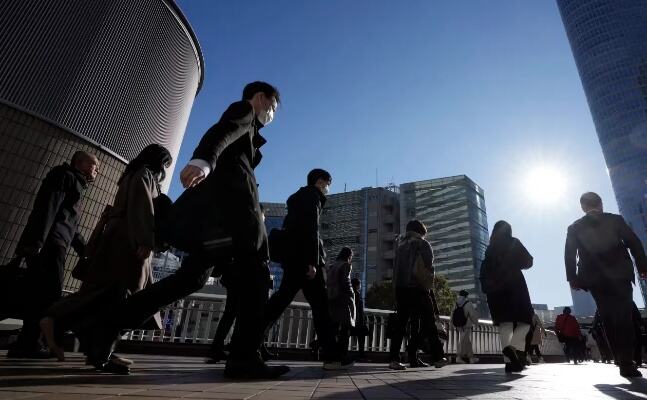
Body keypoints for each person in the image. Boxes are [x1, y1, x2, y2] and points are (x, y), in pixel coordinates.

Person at [83, 82, 289, 379]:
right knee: (256, 277)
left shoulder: (252, 136)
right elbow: (223, 130)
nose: (271, 114)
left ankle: (106, 325)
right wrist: (203, 161)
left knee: (188, 280)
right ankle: (243, 359)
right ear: (260, 98)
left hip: (213, 225)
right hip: (233, 221)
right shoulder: (244, 110)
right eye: (272, 108)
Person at [39, 145, 171, 372]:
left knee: (105, 292)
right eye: (165, 164)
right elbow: (143, 208)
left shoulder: (130, 174)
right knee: (126, 296)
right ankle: (62, 321)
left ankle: (92, 346)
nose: (165, 169)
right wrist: (146, 241)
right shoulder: (144, 175)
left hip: (116, 237)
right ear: (158, 162)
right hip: (128, 240)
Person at [6, 151, 99, 358]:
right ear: (81, 163)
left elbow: (70, 226)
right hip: (49, 244)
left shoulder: (75, 182)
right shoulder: (64, 176)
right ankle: (29, 344)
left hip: (54, 243)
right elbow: (47, 208)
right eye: (95, 166)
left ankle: (27, 343)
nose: (97, 172)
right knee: (48, 295)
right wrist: (36, 242)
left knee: (40, 294)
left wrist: (85, 251)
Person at [262, 169, 345, 370]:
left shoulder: (298, 198)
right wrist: (313, 262)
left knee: (281, 300)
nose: (328, 188)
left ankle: (248, 341)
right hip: (305, 261)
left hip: (294, 259)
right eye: (328, 183)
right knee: (321, 307)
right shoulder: (311, 197)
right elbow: (310, 229)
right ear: (319, 181)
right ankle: (331, 356)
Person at [564, 192, 647, 378]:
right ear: (601, 204)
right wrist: (643, 267)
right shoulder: (615, 220)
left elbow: (569, 254)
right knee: (624, 317)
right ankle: (626, 362)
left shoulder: (575, 227)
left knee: (607, 317)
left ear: (583, 207)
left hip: (595, 278)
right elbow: (634, 242)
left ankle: (619, 358)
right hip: (620, 275)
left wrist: (573, 278)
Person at [389, 220, 447, 370]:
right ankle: (438, 357)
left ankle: (394, 359)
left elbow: (395, 272)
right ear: (420, 230)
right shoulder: (423, 244)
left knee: (401, 325)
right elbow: (428, 266)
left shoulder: (400, 246)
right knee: (429, 323)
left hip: (401, 289)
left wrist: (395, 292)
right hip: (418, 289)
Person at [479, 220, 533, 373]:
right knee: (525, 322)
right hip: (515, 287)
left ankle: (510, 362)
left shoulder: (489, 250)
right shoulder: (513, 242)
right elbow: (528, 262)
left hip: (496, 292)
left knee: (505, 325)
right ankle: (514, 348)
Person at [326, 247, 356, 369]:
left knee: (333, 330)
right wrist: (351, 294)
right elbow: (346, 282)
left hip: (331, 299)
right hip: (343, 300)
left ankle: (330, 357)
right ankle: (341, 358)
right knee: (345, 330)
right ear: (348, 255)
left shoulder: (332, 266)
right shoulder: (345, 265)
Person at [453, 289, 479, 364]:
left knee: (466, 341)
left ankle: (471, 358)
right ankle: (458, 357)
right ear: (466, 296)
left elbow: (452, 314)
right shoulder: (468, 303)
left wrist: (452, 324)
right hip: (466, 325)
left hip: (458, 325)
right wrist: (476, 323)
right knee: (463, 341)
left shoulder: (456, 303)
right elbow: (472, 315)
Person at [350, 278, 369, 360]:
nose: (360, 286)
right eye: (359, 284)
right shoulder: (356, 295)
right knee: (361, 337)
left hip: (354, 320)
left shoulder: (352, 294)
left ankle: (361, 354)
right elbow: (358, 309)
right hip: (357, 321)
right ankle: (361, 354)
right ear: (357, 285)